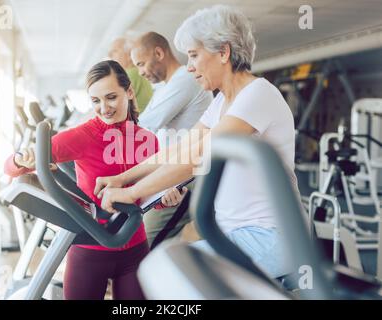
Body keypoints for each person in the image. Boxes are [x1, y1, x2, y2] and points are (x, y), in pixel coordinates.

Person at [94, 5, 299, 279]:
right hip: (234, 233)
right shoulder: (222, 102)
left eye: (193, 55)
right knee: (167, 263)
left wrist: (132, 193)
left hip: (271, 238)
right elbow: (181, 148)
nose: (189, 67)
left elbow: (199, 156)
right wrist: (122, 178)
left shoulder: (257, 94)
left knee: (167, 271)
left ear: (223, 52)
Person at [4, 60, 162, 300]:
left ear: (129, 92)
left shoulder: (147, 139)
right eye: (96, 101)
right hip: (90, 248)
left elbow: (154, 194)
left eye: (111, 97)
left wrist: (168, 198)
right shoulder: (83, 135)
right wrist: (20, 159)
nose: (104, 108)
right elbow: (11, 167)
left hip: (134, 247)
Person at [129, 31, 213, 248]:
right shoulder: (164, 87)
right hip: (170, 177)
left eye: (141, 64)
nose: (140, 72)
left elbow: (144, 126)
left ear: (158, 52)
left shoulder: (185, 79)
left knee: (138, 247)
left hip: (184, 184)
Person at [108, 37, 153, 113]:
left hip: (136, 121)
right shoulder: (135, 72)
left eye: (115, 51)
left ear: (129, 54)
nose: (110, 55)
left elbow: (113, 105)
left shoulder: (130, 74)